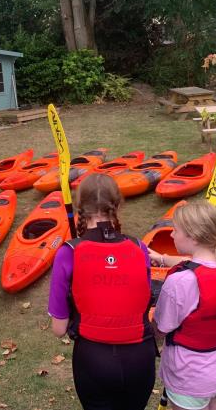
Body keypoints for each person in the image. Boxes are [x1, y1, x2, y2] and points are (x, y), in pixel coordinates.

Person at [48, 174, 156, 410]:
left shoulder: (68, 253)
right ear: (116, 205)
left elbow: (58, 329)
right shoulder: (139, 247)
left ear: (80, 208)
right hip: (141, 357)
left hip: (93, 359)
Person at [153, 201, 216, 410]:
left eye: (175, 230)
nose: (171, 235)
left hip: (191, 377)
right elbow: (201, 265)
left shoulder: (180, 282)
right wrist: (161, 259)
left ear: (193, 237)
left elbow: (161, 329)